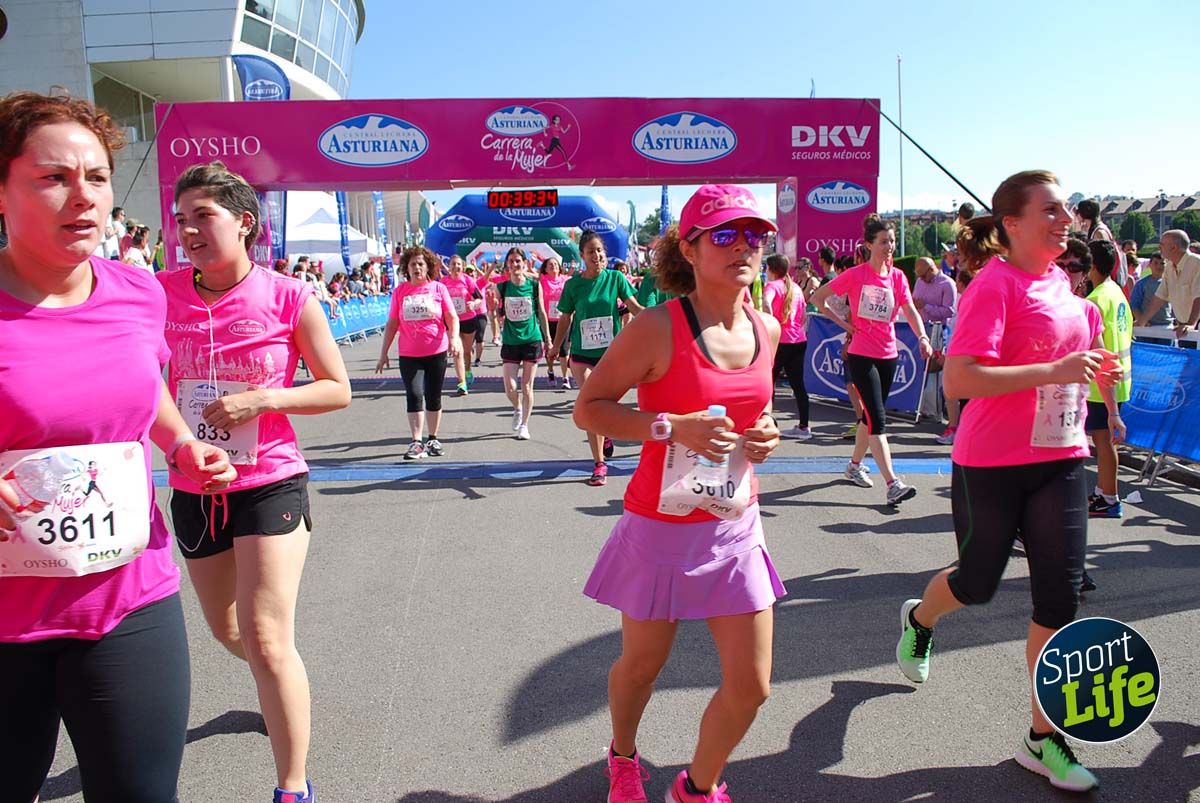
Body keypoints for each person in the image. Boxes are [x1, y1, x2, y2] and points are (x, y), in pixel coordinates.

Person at [0, 90, 236, 803]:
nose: (83, 196)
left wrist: (182, 442)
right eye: (54, 177)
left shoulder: (139, 293)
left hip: (130, 601)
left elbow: (144, 388)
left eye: (97, 177)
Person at [896, 170, 1121, 793]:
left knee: (1060, 598)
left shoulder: (1065, 286)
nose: (1063, 218)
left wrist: (1103, 381)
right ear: (1012, 224)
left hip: (1062, 457)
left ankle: (1043, 737)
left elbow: (1081, 357)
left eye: (1065, 209)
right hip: (991, 462)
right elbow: (962, 379)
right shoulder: (994, 284)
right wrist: (1054, 367)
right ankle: (920, 620)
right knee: (977, 582)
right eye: (1049, 210)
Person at [575, 183, 785, 803]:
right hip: (661, 529)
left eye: (754, 235)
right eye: (724, 234)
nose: (743, 246)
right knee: (641, 668)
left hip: (734, 524)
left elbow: (760, 406)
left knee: (752, 685)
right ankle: (621, 756)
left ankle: (697, 785)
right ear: (689, 250)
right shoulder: (656, 328)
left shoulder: (766, 326)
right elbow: (590, 409)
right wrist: (671, 427)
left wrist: (765, 432)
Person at [161, 160, 351, 803]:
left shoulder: (289, 295)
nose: (187, 229)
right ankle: (280, 680)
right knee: (229, 632)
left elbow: (337, 389)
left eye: (203, 216)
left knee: (269, 638)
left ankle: (292, 787)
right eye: (181, 219)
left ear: (245, 223)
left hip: (269, 480)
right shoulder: (156, 292)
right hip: (194, 487)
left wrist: (263, 399)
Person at [811, 215, 933, 505]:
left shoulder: (897, 277)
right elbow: (817, 298)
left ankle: (854, 466)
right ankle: (893, 484)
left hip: (889, 354)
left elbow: (910, 310)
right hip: (861, 355)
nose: (889, 246)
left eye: (891, 240)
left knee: (868, 416)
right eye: (883, 242)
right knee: (878, 420)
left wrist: (923, 337)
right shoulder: (856, 274)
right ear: (868, 245)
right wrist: (844, 325)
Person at [550, 230, 645, 485]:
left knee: (605, 406)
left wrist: (662, 318)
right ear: (582, 255)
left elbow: (635, 308)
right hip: (581, 356)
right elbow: (566, 318)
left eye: (600, 250)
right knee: (592, 404)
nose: (596, 255)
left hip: (610, 356)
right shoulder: (573, 285)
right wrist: (556, 346)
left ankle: (606, 433)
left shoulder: (615, 278)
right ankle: (599, 463)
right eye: (590, 251)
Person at [376, 246, 462, 458]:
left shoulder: (438, 289)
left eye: (421, 264)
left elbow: (452, 317)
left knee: (433, 395)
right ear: (406, 268)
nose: (417, 268)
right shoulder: (400, 292)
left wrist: (454, 338)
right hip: (409, 354)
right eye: (413, 264)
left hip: (436, 350)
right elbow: (393, 322)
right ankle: (416, 441)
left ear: (428, 267)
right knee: (414, 394)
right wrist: (383, 352)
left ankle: (433, 438)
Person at [1082, 240, 1131, 521]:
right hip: (1118, 378)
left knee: (1103, 441)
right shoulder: (1116, 293)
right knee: (1105, 442)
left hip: (1103, 383)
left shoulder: (1096, 300)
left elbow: (1097, 347)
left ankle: (1108, 496)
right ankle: (1105, 492)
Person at [495, 247, 552, 440]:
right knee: (510, 388)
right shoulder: (501, 288)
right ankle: (517, 407)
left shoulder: (535, 285)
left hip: (531, 339)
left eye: (518, 261)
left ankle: (525, 426)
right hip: (511, 341)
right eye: (511, 261)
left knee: (527, 386)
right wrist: (495, 311)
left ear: (525, 263)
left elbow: (542, 313)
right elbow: (497, 313)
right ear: (507, 265)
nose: (514, 264)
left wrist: (548, 340)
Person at [764, 254, 811, 439]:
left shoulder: (773, 286)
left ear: (772, 269)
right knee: (799, 385)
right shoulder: (797, 288)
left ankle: (766, 422)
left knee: (768, 383)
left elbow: (767, 302)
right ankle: (804, 426)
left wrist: (770, 323)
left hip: (779, 341)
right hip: (798, 340)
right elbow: (804, 315)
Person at [1135, 229, 1200, 347]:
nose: (1159, 247)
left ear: (1174, 248)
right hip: (1184, 329)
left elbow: (1199, 297)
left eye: (1162, 244)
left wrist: (1191, 324)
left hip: (1194, 328)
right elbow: (1160, 297)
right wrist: (1142, 322)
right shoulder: (1169, 266)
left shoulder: (1197, 264)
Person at [935, 268, 976, 445]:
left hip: (963, 355)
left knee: (958, 395)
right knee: (954, 394)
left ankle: (959, 430)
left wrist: (949, 355)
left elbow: (961, 331)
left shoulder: (971, 301)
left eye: (957, 280)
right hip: (957, 352)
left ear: (961, 283)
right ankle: (959, 430)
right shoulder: (963, 300)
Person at [439, 254, 483, 396]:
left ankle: (468, 369)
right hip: (452, 321)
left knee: (467, 351)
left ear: (462, 267)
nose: (456, 266)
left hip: (468, 320)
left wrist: (474, 304)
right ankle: (462, 382)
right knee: (457, 350)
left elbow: (479, 298)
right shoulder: (443, 282)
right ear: (449, 266)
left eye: (458, 264)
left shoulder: (467, 280)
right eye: (453, 264)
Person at [539, 256, 571, 388]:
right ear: (545, 269)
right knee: (550, 349)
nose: (554, 266)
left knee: (564, 351)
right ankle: (551, 370)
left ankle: (565, 378)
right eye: (550, 265)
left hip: (562, 320)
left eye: (556, 264)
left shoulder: (566, 280)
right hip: (548, 321)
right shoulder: (542, 281)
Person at [1130, 252, 1174, 340]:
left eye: (1162, 263)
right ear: (1150, 264)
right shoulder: (1141, 284)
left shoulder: (1171, 283)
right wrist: (1141, 320)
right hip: (1147, 327)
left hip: (1166, 325)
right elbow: (1135, 304)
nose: (1159, 266)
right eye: (1155, 263)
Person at [913, 256, 957, 327]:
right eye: (919, 276)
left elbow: (949, 312)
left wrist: (925, 306)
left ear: (931, 269)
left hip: (939, 328)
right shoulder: (919, 282)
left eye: (923, 276)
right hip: (919, 326)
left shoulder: (947, 284)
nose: (922, 279)